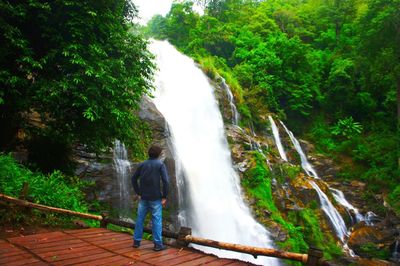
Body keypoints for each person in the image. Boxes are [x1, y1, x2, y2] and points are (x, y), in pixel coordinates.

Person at [131, 145, 169, 251]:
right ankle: (158, 245)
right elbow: (166, 181)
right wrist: (165, 196)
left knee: (140, 219)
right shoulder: (160, 164)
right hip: (156, 197)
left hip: (143, 197)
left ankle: (136, 242)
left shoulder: (142, 164)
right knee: (156, 220)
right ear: (158, 154)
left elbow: (133, 179)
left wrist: (138, 192)